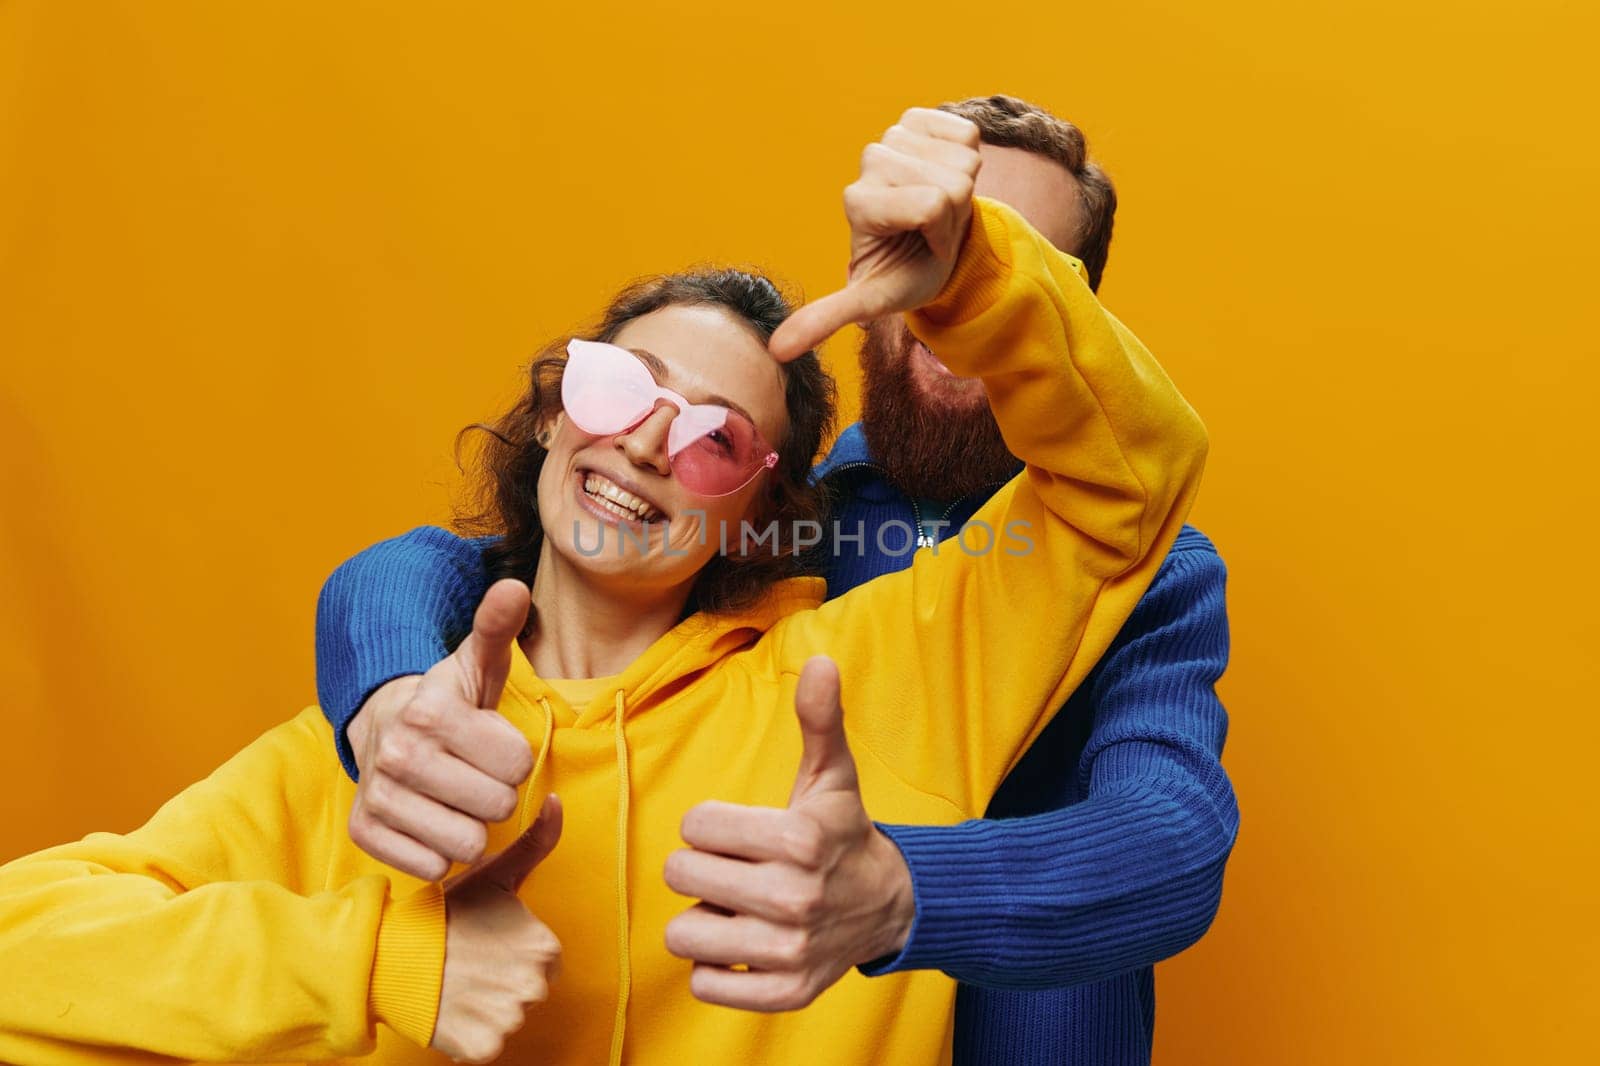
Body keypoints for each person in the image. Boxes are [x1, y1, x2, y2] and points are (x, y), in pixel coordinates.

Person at [0, 108, 1207, 1064]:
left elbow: (1127, 488)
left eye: (714, 437)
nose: (640, 444)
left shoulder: (865, 670)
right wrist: (373, 961)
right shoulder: (407, 746)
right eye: (618, 390)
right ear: (550, 408)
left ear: (758, 518)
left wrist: (977, 274)